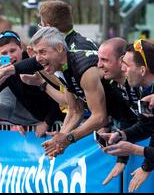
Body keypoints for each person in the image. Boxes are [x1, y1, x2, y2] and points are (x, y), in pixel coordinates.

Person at [26, 27, 136, 158]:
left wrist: (68, 139)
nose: (37, 58)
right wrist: (59, 139)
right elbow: (75, 111)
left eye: (42, 52)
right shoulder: (60, 69)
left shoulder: (83, 69)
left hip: (135, 120)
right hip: (128, 122)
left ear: (60, 48)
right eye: (36, 53)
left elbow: (100, 117)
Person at [0, 30, 65, 137]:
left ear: (21, 48)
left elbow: (58, 94)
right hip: (40, 123)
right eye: (4, 53)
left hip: (63, 120)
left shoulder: (34, 61)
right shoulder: (4, 71)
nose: (10, 56)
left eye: (13, 50)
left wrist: (47, 123)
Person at [102, 39, 154, 192]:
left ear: (142, 70)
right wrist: (121, 135)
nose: (122, 69)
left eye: (126, 65)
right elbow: (147, 127)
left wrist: (137, 153)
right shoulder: (145, 91)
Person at [97, 38, 139, 185]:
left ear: (122, 61)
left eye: (105, 60)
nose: (99, 65)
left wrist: (146, 167)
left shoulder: (139, 81)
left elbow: (146, 123)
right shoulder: (112, 83)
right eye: (98, 59)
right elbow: (128, 119)